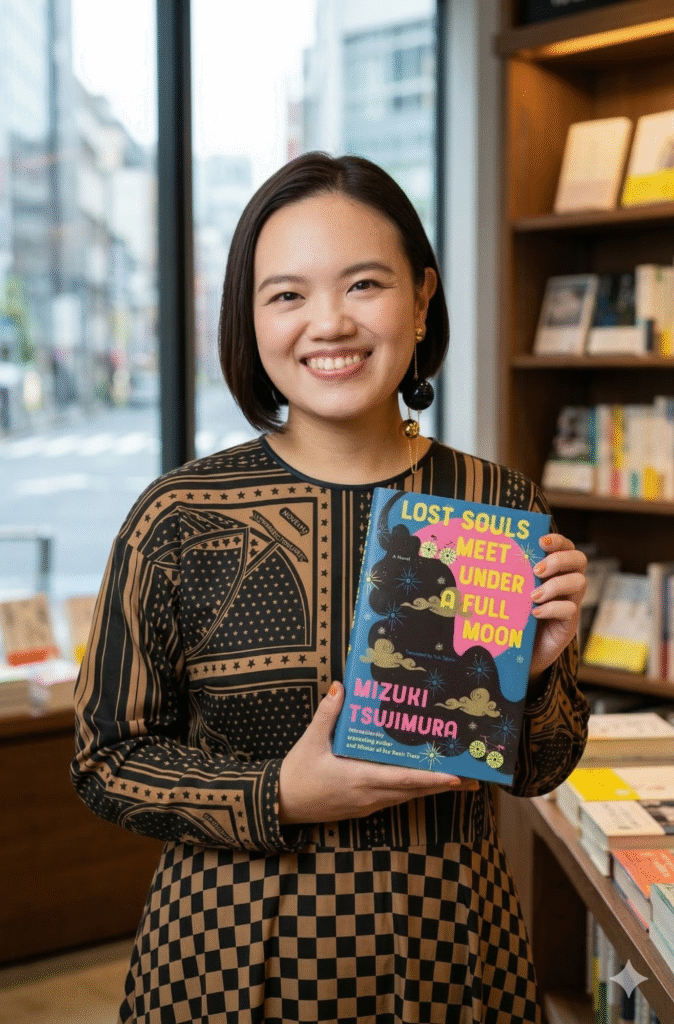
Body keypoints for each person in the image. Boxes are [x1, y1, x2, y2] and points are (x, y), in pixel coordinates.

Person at [71, 152, 589, 1024]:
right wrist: (278, 794)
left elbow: (545, 766)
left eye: (364, 284)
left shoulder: (498, 507)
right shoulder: (178, 516)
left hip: (454, 955)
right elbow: (105, 760)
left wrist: (531, 676)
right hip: (224, 965)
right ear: (250, 319)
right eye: (287, 294)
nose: (330, 323)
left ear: (421, 300)